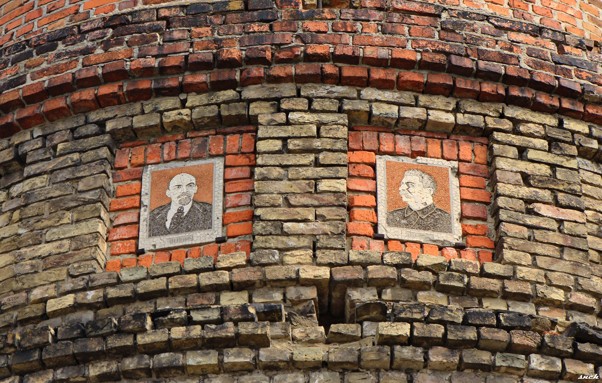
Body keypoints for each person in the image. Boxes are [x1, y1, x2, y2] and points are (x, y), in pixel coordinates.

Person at [387, 169, 452, 233]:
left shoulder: (447, 220)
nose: (402, 188)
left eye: (410, 185)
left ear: (428, 191)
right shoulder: (391, 216)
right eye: (402, 184)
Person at [149, 172, 212, 237]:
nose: (184, 191)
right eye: (178, 187)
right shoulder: (154, 215)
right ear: (168, 193)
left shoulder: (209, 211)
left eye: (190, 185)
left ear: (195, 188)